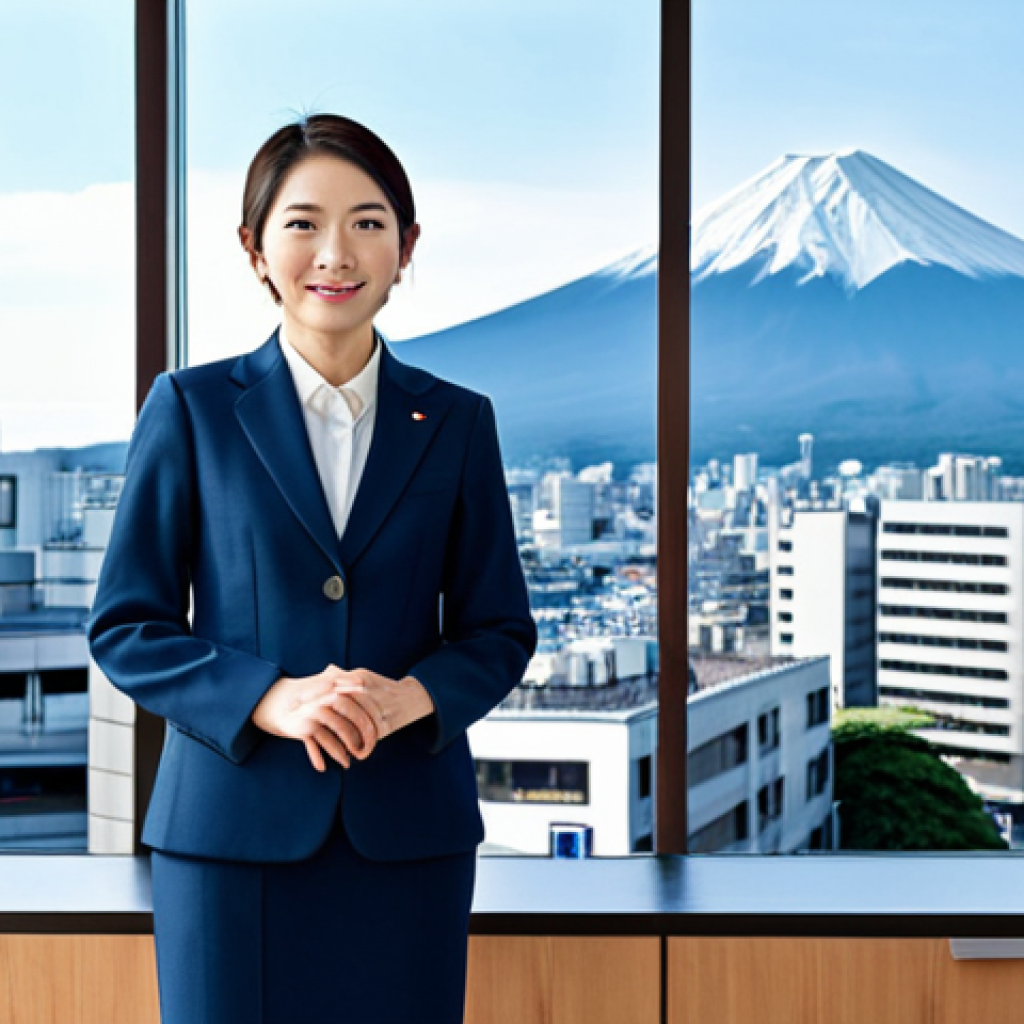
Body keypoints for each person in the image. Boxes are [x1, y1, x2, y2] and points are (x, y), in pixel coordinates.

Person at [87, 113, 538, 1024]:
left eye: (369, 223)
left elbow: (499, 629)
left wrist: (407, 699)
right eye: (302, 224)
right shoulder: (191, 408)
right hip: (228, 838)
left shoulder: (457, 421)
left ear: (407, 249)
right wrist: (269, 697)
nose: (336, 251)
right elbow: (125, 626)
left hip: (408, 837)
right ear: (254, 248)